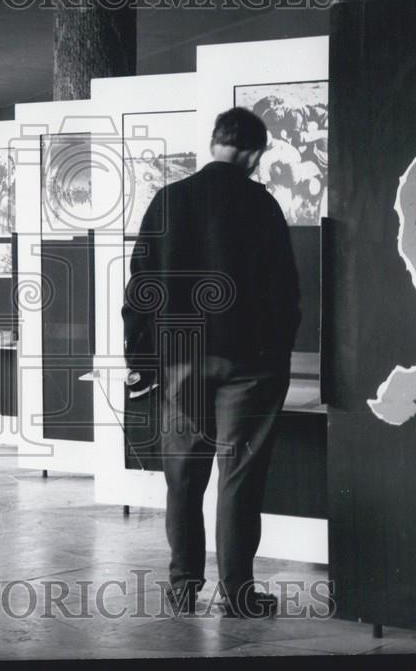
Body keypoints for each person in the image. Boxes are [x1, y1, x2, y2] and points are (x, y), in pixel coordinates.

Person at [122, 107, 301, 619]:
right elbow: (285, 291)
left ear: (214, 142)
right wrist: (277, 351)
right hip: (249, 363)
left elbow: (141, 287)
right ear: (253, 152)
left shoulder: (168, 200)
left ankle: (182, 588)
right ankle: (239, 594)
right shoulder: (262, 204)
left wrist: (141, 358)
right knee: (238, 477)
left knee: (182, 475)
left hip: (180, 360)